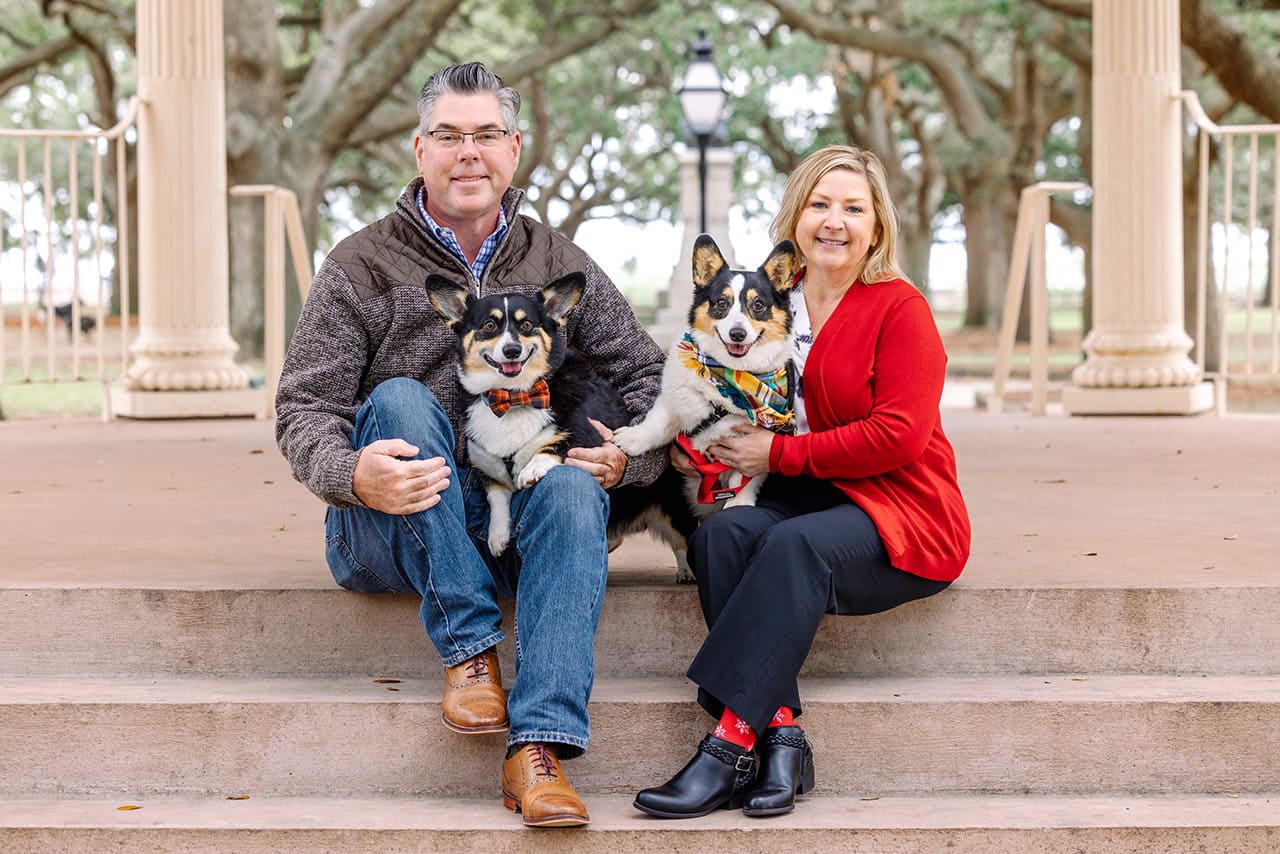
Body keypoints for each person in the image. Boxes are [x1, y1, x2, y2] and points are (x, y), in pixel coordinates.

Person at [274, 62, 667, 828]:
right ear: (419, 150)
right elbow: (303, 406)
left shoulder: (562, 265)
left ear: (514, 149)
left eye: (486, 135)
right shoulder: (359, 265)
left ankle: (539, 748)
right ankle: (468, 652)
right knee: (400, 401)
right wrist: (350, 472)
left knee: (573, 484)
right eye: (449, 136)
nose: (468, 153)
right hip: (388, 528)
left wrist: (631, 457)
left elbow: (646, 374)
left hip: (515, 526)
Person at [633, 144, 971, 820]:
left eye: (853, 207)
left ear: (878, 224)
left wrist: (779, 457)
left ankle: (729, 746)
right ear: (796, 215)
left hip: (901, 512)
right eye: (820, 204)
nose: (834, 221)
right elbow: (705, 374)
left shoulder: (899, 309)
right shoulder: (764, 301)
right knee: (722, 538)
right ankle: (782, 733)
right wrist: (691, 445)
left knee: (791, 547)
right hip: (808, 498)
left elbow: (899, 435)